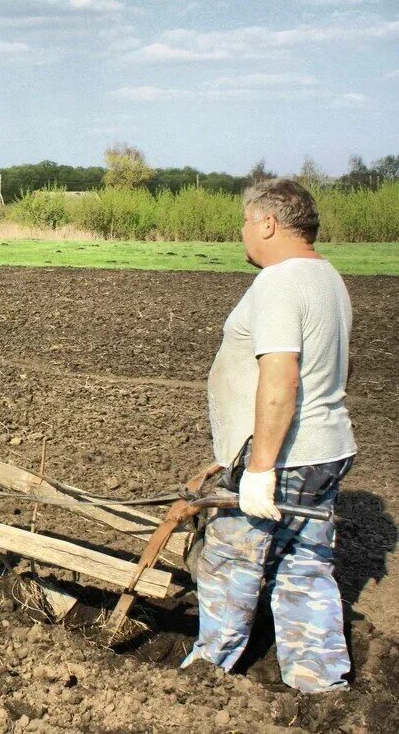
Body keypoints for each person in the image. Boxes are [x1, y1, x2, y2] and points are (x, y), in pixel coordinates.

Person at [182, 178, 356, 693]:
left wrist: (258, 469)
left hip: (284, 455)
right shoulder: (326, 278)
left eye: (245, 223)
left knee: (229, 560)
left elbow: (281, 377)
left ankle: (205, 678)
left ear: (268, 223)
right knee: (305, 565)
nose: (243, 235)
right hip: (326, 448)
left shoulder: (279, 283)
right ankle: (319, 683)